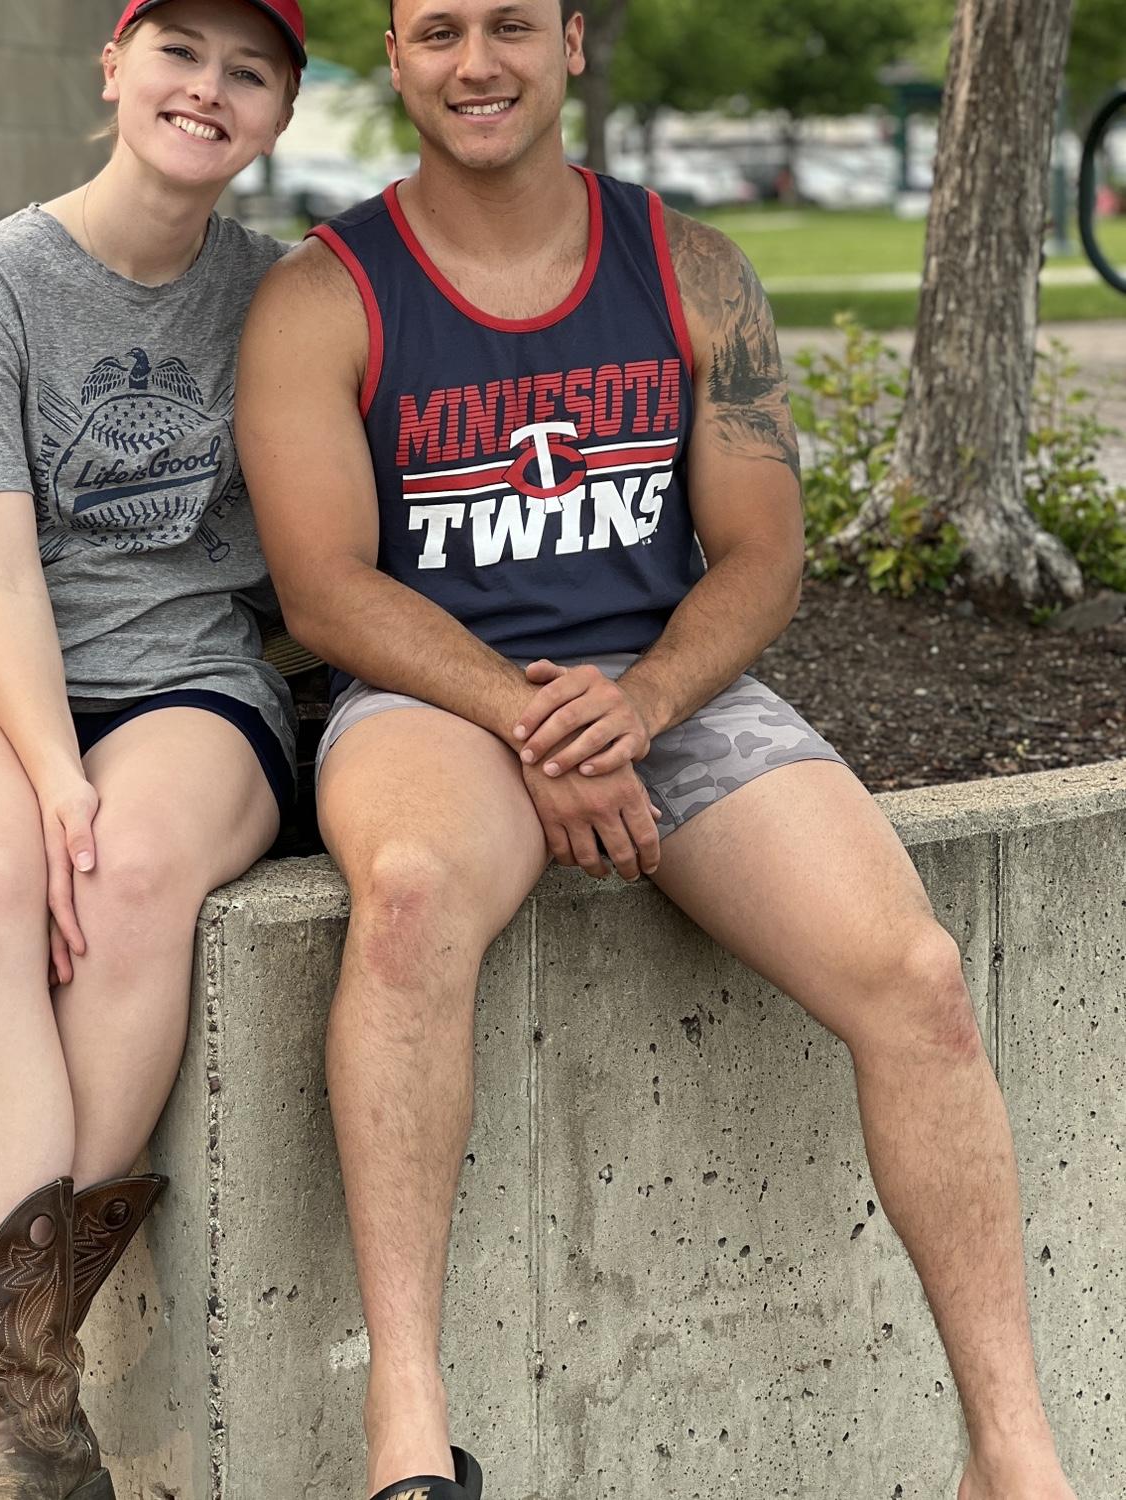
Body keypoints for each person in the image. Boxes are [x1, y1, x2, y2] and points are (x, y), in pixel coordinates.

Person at [234, 4, 1080, 1499]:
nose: (475, 60)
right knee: (415, 897)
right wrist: (528, 715)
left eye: (510, 23)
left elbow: (758, 557)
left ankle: (1011, 1459)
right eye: (437, 30)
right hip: (436, 695)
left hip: (667, 694)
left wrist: (637, 708)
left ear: (571, 40)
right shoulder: (323, 296)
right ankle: (408, 1437)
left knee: (923, 982)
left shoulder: (694, 271)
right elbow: (326, 591)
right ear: (396, 54)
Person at [0, 3, 306, 1496]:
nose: (207, 90)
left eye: (250, 71)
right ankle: (30, 1410)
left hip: (192, 680)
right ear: (115, 66)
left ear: (281, 112)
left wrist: (95, 816)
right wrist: (52, 785)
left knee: (132, 871)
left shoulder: (282, 300)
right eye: (181, 52)